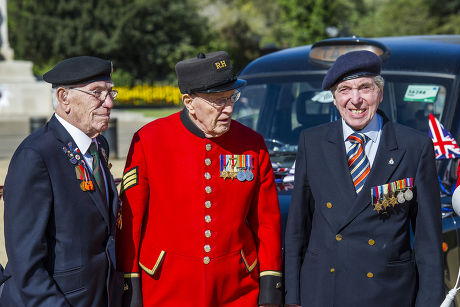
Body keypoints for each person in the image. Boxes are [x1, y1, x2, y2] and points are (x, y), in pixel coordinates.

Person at [116, 51, 283, 306]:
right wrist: (131, 285)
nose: (229, 108)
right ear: (189, 102)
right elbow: (131, 220)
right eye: (218, 101)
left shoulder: (252, 143)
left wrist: (271, 286)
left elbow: (266, 221)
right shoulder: (149, 140)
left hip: (236, 288)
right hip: (166, 286)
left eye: (231, 97)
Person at [284, 50, 443, 306]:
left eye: (364, 88)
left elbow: (428, 240)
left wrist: (429, 301)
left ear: (379, 93)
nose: (355, 100)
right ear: (334, 99)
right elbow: (297, 229)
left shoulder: (414, 146)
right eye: (344, 90)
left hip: (388, 292)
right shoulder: (312, 142)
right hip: (325, 291)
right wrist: (292, 297)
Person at [0, 56, 123, 306]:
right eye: (96, 93)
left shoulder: (98, 145)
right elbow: (26, 261)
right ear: (64, 98)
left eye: (110, 92)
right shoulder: (35, 156)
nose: (108, 103)